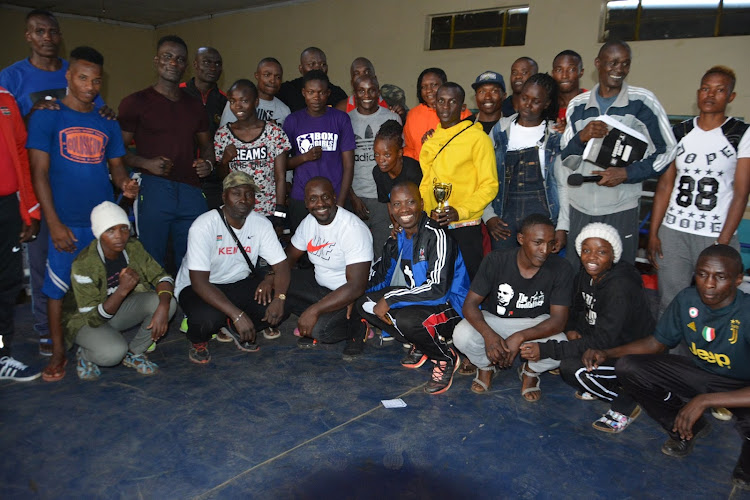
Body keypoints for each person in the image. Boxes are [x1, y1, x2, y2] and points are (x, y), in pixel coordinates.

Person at [583, 245, 750, 489]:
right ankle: (684, 429)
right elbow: (656, 343)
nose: (709, 284)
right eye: (702, 274)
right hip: (702, 373)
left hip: (742, 385)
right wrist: (607, 353)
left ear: (737, 279)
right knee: (629, 367)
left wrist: (704, 400)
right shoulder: (687, 299)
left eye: (720, 277)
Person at [0, 9, 108, 357]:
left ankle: (82, 323)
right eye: (39, 31)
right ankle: (47, 331)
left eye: (53, 31)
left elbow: (97, 112)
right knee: (43, 261)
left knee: (84, 262)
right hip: (37, 184)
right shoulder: (11, 78)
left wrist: (106, 112)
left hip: (81, 183)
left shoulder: (76, 72)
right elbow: (12, 136)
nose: (47, 37)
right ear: (28, 36)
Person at [27, 46, 139, 382]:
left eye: (96, 80)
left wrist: (126, 186)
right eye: (82, 77)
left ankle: (97, 337)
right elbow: (39, 174)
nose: (90, 86)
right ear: (68, 76)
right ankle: (59, 351)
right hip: (66, 221)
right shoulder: (48, 115)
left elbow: (117, 168)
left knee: (107, 283)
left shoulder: (106, 121)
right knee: (56, 290)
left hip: (102, 224)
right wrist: (54, 223)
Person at [520, 223, 653, 432]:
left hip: (628, 353)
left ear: (613, 255)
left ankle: (629, 401)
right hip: (604, 343)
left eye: (601, 252)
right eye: (586, 250)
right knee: (573, 357)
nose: (592, 258)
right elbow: (576, 309)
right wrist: (572, 328)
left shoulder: (620, 287)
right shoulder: (585, 275)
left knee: (573, 369)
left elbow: (604, 341)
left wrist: (545, 350)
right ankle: (608, 383)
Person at [561, 40, 676, 267]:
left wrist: (626, 173)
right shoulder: (578, 105)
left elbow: (668, 150)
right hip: (580, 207)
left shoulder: (643, 101)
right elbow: (567, 159)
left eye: (625, 64)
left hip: (621, 208)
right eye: (612, 63)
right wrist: (581, 138)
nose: (619, 69)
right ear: (598, 64)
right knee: (578, 276)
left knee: (619, 276)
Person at [648, 66, 749, 317]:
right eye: (705, 88)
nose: (710, 95)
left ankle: (709, 355)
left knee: (718, 303)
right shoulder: (680, 132)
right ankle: (666, 354)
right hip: (675, 233)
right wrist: (654, 232)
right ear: (698, 92)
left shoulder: (741, 133)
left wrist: (723, 241)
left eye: (719, 90)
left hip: (716, 233)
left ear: (731, 97)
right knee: (669, 303)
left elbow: (741, 192)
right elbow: (665, 186)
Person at [358, 182, 470, 394]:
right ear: (390, 209)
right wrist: (362, 295)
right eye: (398, 204)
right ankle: (420, 341)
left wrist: (390, 299)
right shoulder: (399, 236)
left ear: (421, 204)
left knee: (407, 319)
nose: (405, 209)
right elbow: (383, 277)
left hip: (450, 306)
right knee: (365, 304)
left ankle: (444, 357)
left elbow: (438, 290)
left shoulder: (437, 236)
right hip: (420, 299)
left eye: (411, 202)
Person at [118, 35, 215, 272]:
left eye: (179, 59)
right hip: (153, 188)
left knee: (195, 257)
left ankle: (188, 307)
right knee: (152, 256)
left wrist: (209, 164)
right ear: (156, 61)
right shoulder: (136, 102)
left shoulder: (194, 106)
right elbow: (117, 152)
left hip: (191, 189)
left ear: (185, 65)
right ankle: (155, 307)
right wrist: (145, 163)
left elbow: (208, 145)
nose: (173, 63)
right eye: (167, 57)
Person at [452, 214, 573, 401]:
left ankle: (530, 371)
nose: (545, 250)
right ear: (521, 239)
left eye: (550, 243)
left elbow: (558, 321)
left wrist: (520, 336)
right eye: (538, 242)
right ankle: (486, 366)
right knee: (461, 334)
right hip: (496, 320)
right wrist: (488, 335)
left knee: (561, 346)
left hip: (535, 324)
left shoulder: (561, 267)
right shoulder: (496, 260)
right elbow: (470, 305)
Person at [175, 171, 290, 364]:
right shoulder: (203, 226)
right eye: (236, 193)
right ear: (224, 196)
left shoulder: (261, 224)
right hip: (200, 287)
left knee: (281, 307)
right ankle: (198, 339)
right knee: (207, 318)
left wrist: (279, 298)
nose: (243, 199)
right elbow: (199, 283)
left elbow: (282, 266)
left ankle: (230, 324)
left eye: (249, 194)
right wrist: (237, 314)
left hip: (238, 283)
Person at [63, 202, 176, 380]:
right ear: (99, 233)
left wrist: (162, 306)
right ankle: (85, 355)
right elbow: (93, 318)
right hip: (85, 321)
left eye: (124, 228)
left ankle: (135, 353)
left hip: (116, 311)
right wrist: (122, 290)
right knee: (113, 353)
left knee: (167, 302)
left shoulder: (132, 248)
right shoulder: (84, 264)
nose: (119, 236)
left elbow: (162, 277)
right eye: (110, 230)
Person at [282, 177, 372, 359]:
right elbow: (289, 257)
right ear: (306, 203)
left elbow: (356, 286)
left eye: (325, 197)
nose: (320, 204)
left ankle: (358, 324)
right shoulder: (309, 222)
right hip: (321, 287)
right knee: (278, 283)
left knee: (321, 331)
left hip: (350, 295)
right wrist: (271, 279)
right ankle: (319, 315)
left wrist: (314, 310)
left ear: (334, 197)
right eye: (313, 199)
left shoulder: (352, 228)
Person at [418, 82, 498, 279]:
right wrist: (425, 215)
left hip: (465, 226)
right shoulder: (432, 139)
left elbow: (490, 185)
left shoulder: (478, 139)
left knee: (470, 282)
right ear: (434, 105)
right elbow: (427, 182)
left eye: (452, 102)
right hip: (435, 223)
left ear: (463, 107)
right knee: (437, 279)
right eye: (441, 101)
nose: (446, 107)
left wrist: (460, 211)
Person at [483, 74, 568, 253]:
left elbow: (562, 184)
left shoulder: (554, 135)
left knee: (540, 274)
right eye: (524, 98)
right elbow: (483, 177)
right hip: (503, 218)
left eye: (536, 101)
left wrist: (562, 226)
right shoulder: (500, 131)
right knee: (505, 271)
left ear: (546, 104)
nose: (527, 105)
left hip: (543, 216)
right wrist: (488, 216)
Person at [0, 85, 41, 381]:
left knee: (5, 284)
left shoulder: (5, 99)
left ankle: (1, 354)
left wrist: (30, 209)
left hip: (6, 206)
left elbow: (20, 152)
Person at [283, 70, 356, 232]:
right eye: (311, 92)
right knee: (304, 248)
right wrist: (304, 157)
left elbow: (349, 165)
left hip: (335, 196)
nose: (316, 97)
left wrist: (341, 201)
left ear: (328, 93)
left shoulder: (340, 119)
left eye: (321, 92)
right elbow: (282, 164)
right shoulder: (292, 121)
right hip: (301, 197)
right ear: (303, 93)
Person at [214, 79, 291, 224]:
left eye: (244, 101)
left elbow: (280, 176)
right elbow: (222, 178)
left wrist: (279, 215)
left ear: (256, 102)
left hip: (267, 211)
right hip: (236, 211)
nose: (238, 106)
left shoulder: (274, 133)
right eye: (232, 101)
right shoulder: (223, 135)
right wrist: (225, 160)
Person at [347, 74, 401, 258]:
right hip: (355, 197)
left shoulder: (392, 118)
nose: (367, 95)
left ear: (378, 92)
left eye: (371, 90)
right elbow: (341, 164)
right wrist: (352, 196)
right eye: (361, 90)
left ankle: (380, 287)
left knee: (382, 252)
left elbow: (397, 163)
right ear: (354, 94)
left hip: (382, 199)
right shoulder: (345, 120)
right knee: (355, 253)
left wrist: (391, 199)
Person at [180, 46, 227, 210]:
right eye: (207, 62)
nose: (213, 68)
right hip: (180, 177)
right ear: (195, 64)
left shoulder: (225, 101)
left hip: (213, 180)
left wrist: (210, 164)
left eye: (217, 64)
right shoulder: (178, 93)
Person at [403, 68, 472, 163]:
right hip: (421, 171)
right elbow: (409, 148)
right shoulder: (412, 114)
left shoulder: (461, 112)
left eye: (434, 85)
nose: (428, 90)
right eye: (424, 87)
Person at [219, 57, 292, 129]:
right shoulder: (237, 102)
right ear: (257, 76)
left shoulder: (284, 110)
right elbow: (225, 133)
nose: (272, 80)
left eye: (278, 77)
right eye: (267, 75)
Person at [276, 47, 348, 112]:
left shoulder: (337, 93)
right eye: (311, 64)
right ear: (301, 69)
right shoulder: (287, 90)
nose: (318, 68)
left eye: (323, 64)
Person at [372, 120, 422, 205]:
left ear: (400, 153)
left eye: (387, 155)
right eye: (376, 154)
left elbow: (420, 204)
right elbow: (389, 204)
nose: (380, 160)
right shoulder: (378, 172)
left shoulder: (413, 171)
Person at [551, 50, 586, 132]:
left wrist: (571, 131)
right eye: (559, 70)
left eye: (571, 70)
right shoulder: (546, 104)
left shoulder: (592, 100)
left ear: (581, 72)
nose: (564, 76)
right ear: (553, 73)